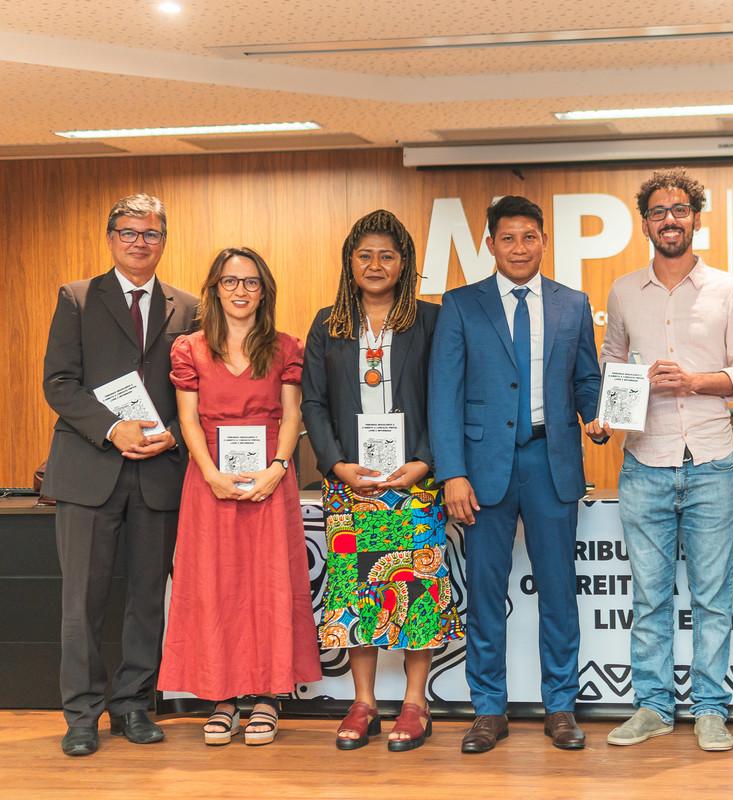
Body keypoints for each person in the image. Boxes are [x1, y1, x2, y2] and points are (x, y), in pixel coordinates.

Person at [429, 195, 603, 754]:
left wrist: (597, 416)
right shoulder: (460, 304)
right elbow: (443, 396)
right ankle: (488, 710)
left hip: (552, 462)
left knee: (558, 591)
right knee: (484, 592)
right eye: (508, 238)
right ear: (490, 244)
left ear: (544, 242)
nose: (520, 247)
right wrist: (452, 473)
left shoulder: (573, 303)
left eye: (530, 237)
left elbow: (586, 381)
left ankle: (560, 707)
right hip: (482, 471)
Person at [598, 168, 733, 752]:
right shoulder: (622, 291)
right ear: (645, 223)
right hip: (645, 459)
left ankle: (712, 708)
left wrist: (695, 380)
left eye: (681, 209)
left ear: (696, 218)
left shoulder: (729, 288)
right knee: (650, 596)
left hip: (713, 459)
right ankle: (652, 706)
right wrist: (627, 390)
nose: (671, 219)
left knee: (714, 594)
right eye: (659, 211)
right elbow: (610, 368)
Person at [302, 209, 464, 752]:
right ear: (350, 262)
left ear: (405, 264)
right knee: (352, 595)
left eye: (387, 256)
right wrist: (336, 464)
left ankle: (416, 703)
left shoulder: (432, 320)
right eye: (365, 255)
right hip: (352, 486)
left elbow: (447, 398)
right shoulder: (328, 323)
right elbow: (314, 403)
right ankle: (364, 701)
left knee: (415, 594)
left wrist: (425, 462)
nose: (375, 265)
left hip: (414, 483)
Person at [42, 194, 198, 757]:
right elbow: (59, 383)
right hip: (90, 471)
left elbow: (197, 394)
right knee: (82, 601)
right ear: (111, 238)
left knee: (145, 598)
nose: (140, 242)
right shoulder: (79, 299)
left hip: (159, 473)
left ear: (164, 241)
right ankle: (81, 714)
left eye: (151, 233)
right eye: (129, 232)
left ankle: (133, 705)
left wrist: (174, 437)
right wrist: (113, 429)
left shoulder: (189, 307)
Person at [156, 247, 320, 746]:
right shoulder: (190, 349)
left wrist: (277, 468)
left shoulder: (286, 346)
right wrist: (209, 472)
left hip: (272, 480)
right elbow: (187, 419)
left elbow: (292, 415)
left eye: (251, 283)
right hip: (209, 482)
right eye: (231, 282)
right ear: (215, 288)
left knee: (269, 586)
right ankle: (222, 697)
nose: (241, 291)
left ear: (264, 290)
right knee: (215, 586)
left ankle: (268, 696)